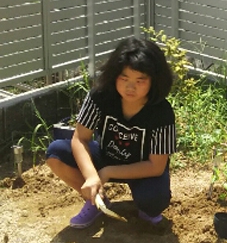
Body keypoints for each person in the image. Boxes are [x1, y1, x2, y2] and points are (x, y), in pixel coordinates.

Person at [46, 37, 177, 228]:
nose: (130, 87)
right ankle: (96, 201)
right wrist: (92, 175)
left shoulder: (162, 112)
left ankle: (146, 209)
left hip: (144, 168)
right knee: (56, 153)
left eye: (140, 80)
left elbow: (156, 166)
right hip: (107, 155)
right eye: (124, 78)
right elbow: (80, 138)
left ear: (154, 80)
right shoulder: (100, 96)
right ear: (114, 75)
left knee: (154, 200)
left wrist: (107, 172)